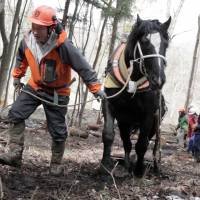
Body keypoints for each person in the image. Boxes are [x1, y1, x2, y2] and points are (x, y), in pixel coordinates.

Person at [0, 5, 105, 175]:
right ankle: (14, 154)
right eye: (33, 26)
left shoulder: (63, 46)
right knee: (15, 113)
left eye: (39, 28)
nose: (35, 31)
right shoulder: (27, 40)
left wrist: (96, 88)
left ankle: (56, 164)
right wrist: (17, 76)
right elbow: (21, 57)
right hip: (34, 87)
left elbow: (83, 67)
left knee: (57, 130)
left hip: (57, 93)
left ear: (50, 28)